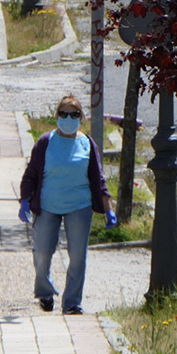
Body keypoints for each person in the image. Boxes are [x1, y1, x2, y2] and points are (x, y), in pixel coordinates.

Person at [18, 95, 116, 315]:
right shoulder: (45, 142)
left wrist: (108, 209)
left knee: (78, 256)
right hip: (47, 205)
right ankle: (44, 292)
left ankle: (72, 302)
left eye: (74, 115)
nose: (68, 118)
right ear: (57, 116)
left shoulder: (87, 144)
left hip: (79, 205)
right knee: (42, 252)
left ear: (81, 118)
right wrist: (25, 200)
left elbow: (98, 179)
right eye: (63, 114)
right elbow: (31, 174)